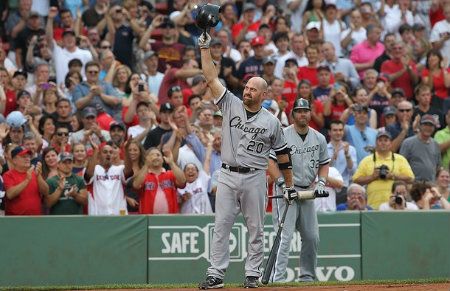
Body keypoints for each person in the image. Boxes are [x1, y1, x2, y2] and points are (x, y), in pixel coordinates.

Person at [197, 31, 295, 289]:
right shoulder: (230, 103)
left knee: (256, 229)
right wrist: (204, 49)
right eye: (247, 87)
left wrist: (289, 184)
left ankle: (252, 274)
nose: (248, 91)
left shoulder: (272, 122)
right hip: (227, 174)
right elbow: (210, 77)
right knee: (221, 226)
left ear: (263, 94)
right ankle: (216, 274)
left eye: (253, 89)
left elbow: (283, 155)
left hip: (255, 176)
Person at [268, 98, 330, 283]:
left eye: (306, 110)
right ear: (293, 114)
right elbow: (270, 162)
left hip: (307, 191)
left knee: (312, 237)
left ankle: (307, 278)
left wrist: (322, 182)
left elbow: (324, 163)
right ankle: (277, 280)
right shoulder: (283, 135)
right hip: (286, 191)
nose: (303, 114)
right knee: (284, 237)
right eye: (299, 111)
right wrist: (281, 183)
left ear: (310, 113)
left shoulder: (319, 137)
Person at [353, 130, 415, 209]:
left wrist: (393, 176)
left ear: (390, 143)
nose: (383, 143)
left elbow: (411, 178)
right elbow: (356, 180)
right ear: (376, 143)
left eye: (386, 140)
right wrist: (372, 177)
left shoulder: (400, 159)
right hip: (372, 205)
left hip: (395, 205)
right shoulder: (367, 160)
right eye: (380, 140)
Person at [132, 147, 186, 214]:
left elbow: (182, 181)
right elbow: (136, 185)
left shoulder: (170, 174)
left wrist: (171, 163)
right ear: (146, 158)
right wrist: (146, 165)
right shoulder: (144, 175)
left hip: (170, 219)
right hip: (148, 219)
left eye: (158, 155)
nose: (155, 157)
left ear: (163, 159)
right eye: (152, 155)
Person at [3, 146, 48, 215]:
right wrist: (27, 180)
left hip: (36, 219)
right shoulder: (8, 175)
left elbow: (46, 192)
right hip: (16, 220)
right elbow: (10, 194)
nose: (27, 159)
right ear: (14, 160)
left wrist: (38, 176)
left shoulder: (35, 173)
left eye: (28, 156)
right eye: (23, 157)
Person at [400, 114, 442, 182]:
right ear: (419, 125)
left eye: (431, 125)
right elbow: (401, 165)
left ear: (434, 128)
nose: (428, 127)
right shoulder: (408, 143)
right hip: (413, 185)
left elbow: (438, 166)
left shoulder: (435, 144)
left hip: (430, 184)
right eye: (425, 124)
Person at [327, 120, 357, 204]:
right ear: (329, 132)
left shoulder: (351, 149)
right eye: (335, 130)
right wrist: (333, 156)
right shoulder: (323, 149)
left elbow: (353, 172)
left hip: (344, 187)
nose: (338, 133)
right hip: (329, 186)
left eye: (340, 130)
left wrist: (347, 154)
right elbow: (322, 170)